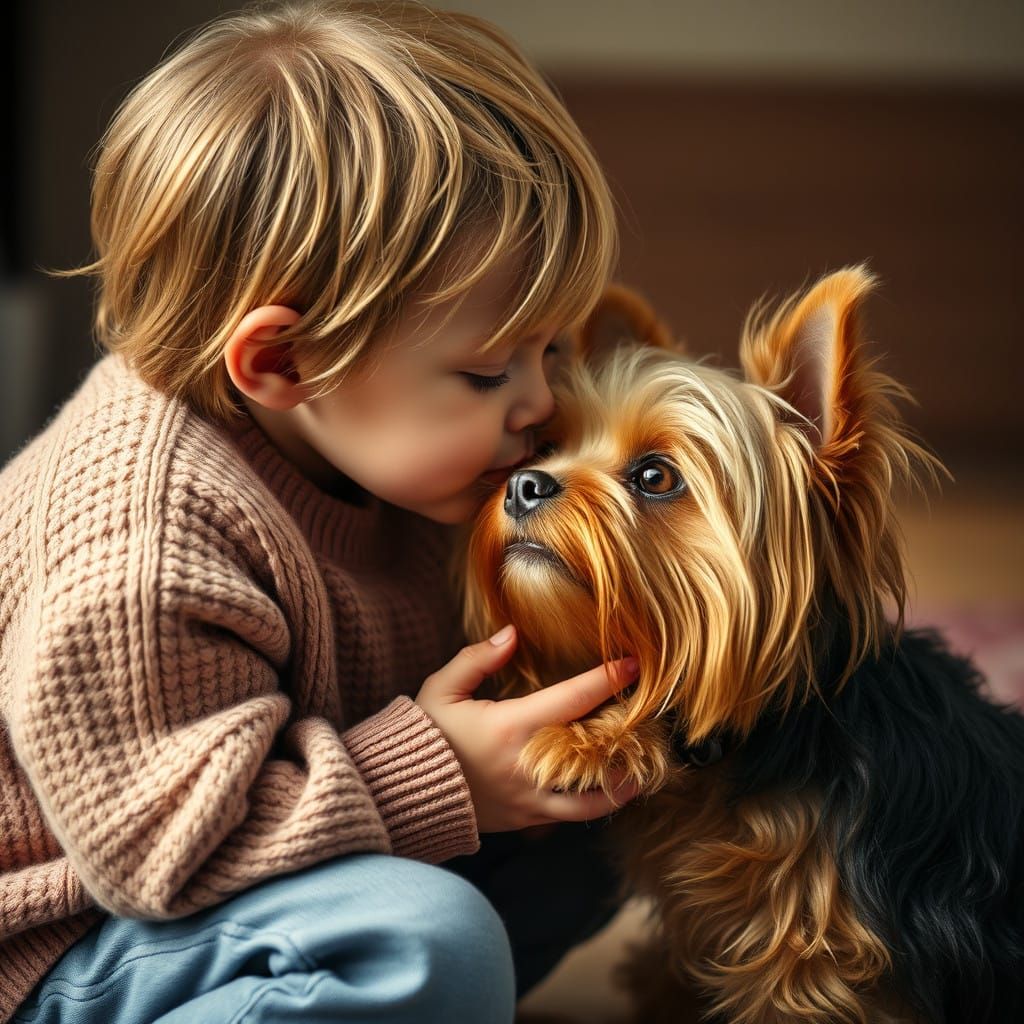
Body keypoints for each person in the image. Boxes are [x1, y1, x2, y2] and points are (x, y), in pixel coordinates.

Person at [0, 3, 640, 1021]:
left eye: (552, 349)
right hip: (72, 946)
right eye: (488, 371)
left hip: (277, 870)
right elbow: (166, 857)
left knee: (600, 820)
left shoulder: (393, 448)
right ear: (284, 360)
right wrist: (439, 776)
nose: (541, 402)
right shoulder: (147, 540)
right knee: (428, 941)